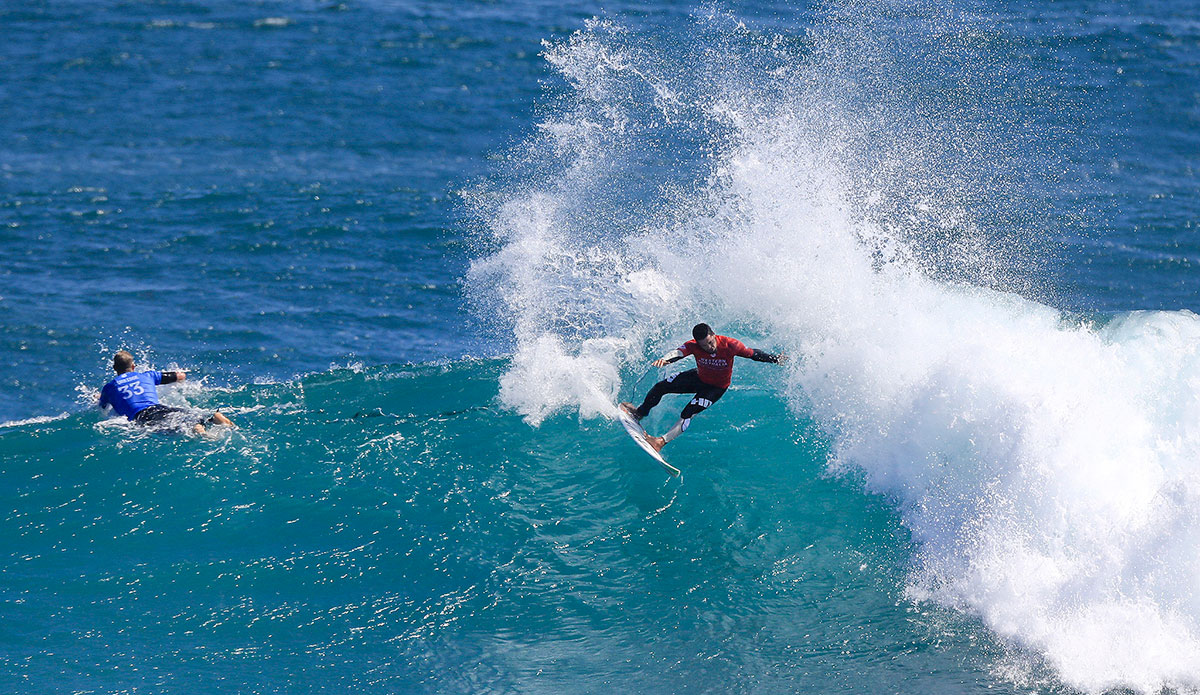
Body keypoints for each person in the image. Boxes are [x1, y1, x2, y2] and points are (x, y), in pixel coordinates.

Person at [620, 323, 786, 452]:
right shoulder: (694, 345)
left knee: (688, 412)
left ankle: (660, 442)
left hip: (716, 388)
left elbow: (753, 354)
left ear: (714, 335)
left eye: (710, 342)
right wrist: (665, 360)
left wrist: (775, 359)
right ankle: (640, 413)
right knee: (660, 387)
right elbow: (678, 352)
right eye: (704, 345)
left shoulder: (730, 345)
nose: (709, 347)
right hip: (698, 377)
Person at [98, 351, 234, 436]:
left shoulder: (109, 388)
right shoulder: (147, 376)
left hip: (143, 416)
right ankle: (213, 418)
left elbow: (102, 406)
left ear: (115, 368)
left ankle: (201, 432)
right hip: (160, 407)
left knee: (178, 429)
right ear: (133, 367)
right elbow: (180, 376)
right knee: (188, 416)